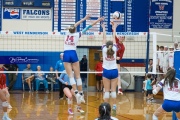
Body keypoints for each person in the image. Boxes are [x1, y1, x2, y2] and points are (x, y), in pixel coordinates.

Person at [63, 14, 104, 104]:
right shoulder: (78, 34)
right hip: (73, 53)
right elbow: (89, 26)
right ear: (75, 29)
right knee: (78, 76)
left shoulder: (66, 33)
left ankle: (76, 93)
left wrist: (84, 18)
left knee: (70, 76)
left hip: (66, 53)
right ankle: (81, 94)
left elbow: (75, 25)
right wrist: (97, 20)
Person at [101, 22, 118, 111]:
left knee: (107, 90)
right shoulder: (114, 49)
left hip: (106, 71)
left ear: (106, 46)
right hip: (114, 71)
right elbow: (114, 38)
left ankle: (105, 107)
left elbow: (104, 38)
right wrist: (114, 28)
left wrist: (103, 28)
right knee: (113, 90)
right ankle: (114, 106)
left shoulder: (104, 50)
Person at [111, 21, 125, 95]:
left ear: (123, 39)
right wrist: (114, 26)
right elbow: (113, 33)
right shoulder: (116, 40)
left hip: (116, 61)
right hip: (110, 59)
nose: (121, 38)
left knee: (118, 74)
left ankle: (119, 88)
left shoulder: (123, 47)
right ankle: (107, 88)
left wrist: (118, 57)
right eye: (120, 36)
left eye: (122, 37)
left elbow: (121, 57)